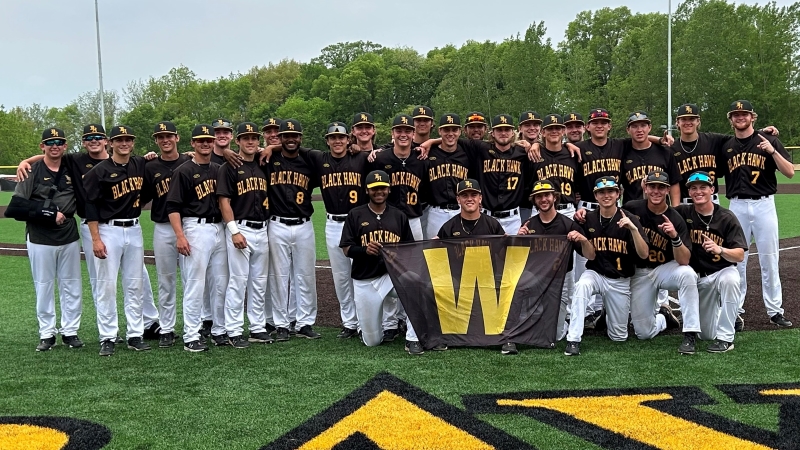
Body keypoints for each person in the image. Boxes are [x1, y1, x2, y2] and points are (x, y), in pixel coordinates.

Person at [16, 123, 161, 341]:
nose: (93, 141)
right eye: (89, 137)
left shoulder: (130, 160)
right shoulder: (76, 160)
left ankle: (149, 322)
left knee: (139, 275)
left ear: (106, 141)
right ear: (84, 142)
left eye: (98, 137)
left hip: (129, 227)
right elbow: (49, 155)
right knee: (101, 279)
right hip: (93, 224)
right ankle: (109, 332)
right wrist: (25, 161)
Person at [7, 128, 83, 351]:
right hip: (40, 236)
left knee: (71, 285)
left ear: (65, 145)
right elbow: (15, 207)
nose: (55, 146)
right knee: (44, 285)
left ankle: (70, 331)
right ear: (42, 146)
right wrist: (48, 213)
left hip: (68, 233)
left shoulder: (71, 166)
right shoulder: (32, 170)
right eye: (50, 142)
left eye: (59, 142)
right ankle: (47, 333)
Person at [722, 100, 794, 328]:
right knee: (737, 261)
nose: (740, 117)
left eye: (744, 114)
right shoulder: (726, 145)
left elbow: (790, 172)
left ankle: (775, 311)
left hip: (764, 205)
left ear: (753, 117)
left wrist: (772, 151)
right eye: (736, 114)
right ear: (730, 119)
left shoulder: (769, 140)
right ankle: (735, 312)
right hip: (737, 206)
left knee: (770, 259)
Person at [297, 121, 370, 339]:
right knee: (340, 277)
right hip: (333, 224)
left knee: (363, 274)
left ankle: (366, 321)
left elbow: (383, 154)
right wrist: (270, 147)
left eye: (341, 137)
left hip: (358, 224)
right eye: (333, 138)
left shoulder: (362, 158)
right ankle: (349, 322)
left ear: (349, 139)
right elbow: (290, 146)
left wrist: (363, 148)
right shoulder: (320, 159)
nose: (337, 141)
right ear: (327, 141)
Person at [83, 125, 150, 356]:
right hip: (108, 229)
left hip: (134, 228)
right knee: (107, 285)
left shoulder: (140, 164)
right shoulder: (98, 171)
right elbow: (89, 207)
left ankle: (135, 334)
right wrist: (96, 239)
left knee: (135, 283)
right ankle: (108, 337)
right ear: (110, 143)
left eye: (128, 139)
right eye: (119, 140)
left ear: (132, 142)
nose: (124, 143)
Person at [566, 177, 649, 355]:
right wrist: (583, 240)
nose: (606, 195)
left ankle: (662, 319)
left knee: (618, 337)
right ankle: (573, 339)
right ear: (595, 195)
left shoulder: (630, 218)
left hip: (620, 280)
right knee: (581, 286)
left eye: (610, 191)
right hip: (596, 273)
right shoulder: (587, 219)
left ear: (618, 194)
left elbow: (644, 254)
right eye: (601, 192)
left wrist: (633, 229)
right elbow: (590, 255)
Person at [339, 170, 419, 353]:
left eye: (382, 188)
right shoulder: (355, 214)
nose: (379, 192)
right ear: (367, 190)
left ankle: (413, 338)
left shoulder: (399, 215)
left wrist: (396, 254)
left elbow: (410, 249)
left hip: (389, 278)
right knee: (372, 341)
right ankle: (369, 330)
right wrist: (365, 250)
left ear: (388, 189)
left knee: (415, 284)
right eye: (374, 189)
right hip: (365, 281)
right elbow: (346, 249)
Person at [166, 124, 229, 352]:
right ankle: (191, 335)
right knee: (195, 284)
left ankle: (219, 330)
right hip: (195, 227)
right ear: (192, 143)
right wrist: (180, 236)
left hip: (218, 229)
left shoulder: (217, 169)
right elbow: (172, 207)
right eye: (200, 140)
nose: (205, 143)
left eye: (208, 140)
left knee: (220, 283)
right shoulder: (183, 171)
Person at [624, 171, 700, 354]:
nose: (656, 191)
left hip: (665, 269)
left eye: (661, 187)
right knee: (643, 333)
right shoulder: (632, 208)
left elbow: (684, 260)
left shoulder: (675, 218)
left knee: (688, 274)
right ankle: (665, 319)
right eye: (652, 186)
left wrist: (674, 237)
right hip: (640, 272)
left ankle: (690, 333)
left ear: (667, 190)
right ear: (645, 187)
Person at [676, 171, 748, 352]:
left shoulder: (726, 216)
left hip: (721, 272)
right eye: (693, 188)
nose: (698, 192)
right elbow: (658, 209)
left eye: (703, 187)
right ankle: (725, 316)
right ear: (689, 192)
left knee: (732, 280)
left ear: (712, 190)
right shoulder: (683, 212)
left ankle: (726, 338)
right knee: (706, 334)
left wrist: (721, 249)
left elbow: (739, 255)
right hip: (699, 279)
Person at [520, 179, 594, 351]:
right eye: (538, 197)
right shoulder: (529, 224)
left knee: (555, 334)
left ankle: (564, 324)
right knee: (532, 329)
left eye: (546, 195)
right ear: (534, 200)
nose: (543, 199)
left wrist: (583, 239)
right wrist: (519, 239)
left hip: (561, 279)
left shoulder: (568, 224)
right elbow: (517, 261)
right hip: (536, 279)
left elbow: (590, 255)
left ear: (555, 197)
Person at [217, 122, 273, 349]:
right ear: (237, 141)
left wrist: (269, 149)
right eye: (245, 138)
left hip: (263, 228)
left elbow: (280, 146)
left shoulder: (263, 162)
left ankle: (257, 327)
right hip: (242, 228)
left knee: (259, 283)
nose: (250, 141)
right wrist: (234, 231)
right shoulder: (228, 166)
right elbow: (224, 201)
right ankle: (234, 329)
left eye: (254, 138)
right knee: (238, 282)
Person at [265, 118, 321, 341]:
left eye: (294, 135)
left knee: (305, 275)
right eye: (286, 135)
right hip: (276, 224)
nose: (291, 139)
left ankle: (305, 322)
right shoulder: (268, 159)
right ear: (280, 138)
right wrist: (270, 147)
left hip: (304, 224)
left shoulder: (308, 160)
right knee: (279, 276)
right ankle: (281, 324)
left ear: (300, 137)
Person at [141, 121, 192, 348]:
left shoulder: (189, 161)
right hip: (163, 227)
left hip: (189, 226)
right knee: (166, 280)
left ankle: (195, 326)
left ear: (177, 138)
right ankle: (167, 328)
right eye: (160, 137)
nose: (165, 140)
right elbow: (140, 197)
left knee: (192, 279)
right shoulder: (151, 167)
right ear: (156, 141)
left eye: (169, 135)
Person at [424, 114, 471, 239]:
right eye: (446, 130)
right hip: (436, 212)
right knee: (434, 253)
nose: (450, 133)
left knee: (461, 251)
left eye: (454, 130)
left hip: (461, 209)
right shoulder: (429, 152)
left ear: (460, 131)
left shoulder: (467, 152)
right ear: (440, 131)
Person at [621, 111, 682, 205]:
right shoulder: (623, 151)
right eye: (634, 126)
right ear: (628, 130)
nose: (639, 130)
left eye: (643, 125)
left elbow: (674, 183)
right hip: (632, 212)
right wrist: (659, 139)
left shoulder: (665, 152)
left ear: (649, 127)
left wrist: (675, 210)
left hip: (660, 210)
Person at [532, 114, 582, 219]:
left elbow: (579, 182)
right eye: (550, 128)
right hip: (540, 210)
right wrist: (534, 144)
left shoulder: (572, 154)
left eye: (557, 128)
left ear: (563, 131)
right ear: (543, 132)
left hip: (567, 210)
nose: (554, 131)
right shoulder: (535, 153)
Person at [517, 110, 543, 221]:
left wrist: (537, 144)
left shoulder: (545, 147)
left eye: (536, 125)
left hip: (543, 202)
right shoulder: (513, 149)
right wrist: (515, 143)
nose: (532, 128)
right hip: (519, 205)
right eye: (527, 125)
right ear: (520, 128)